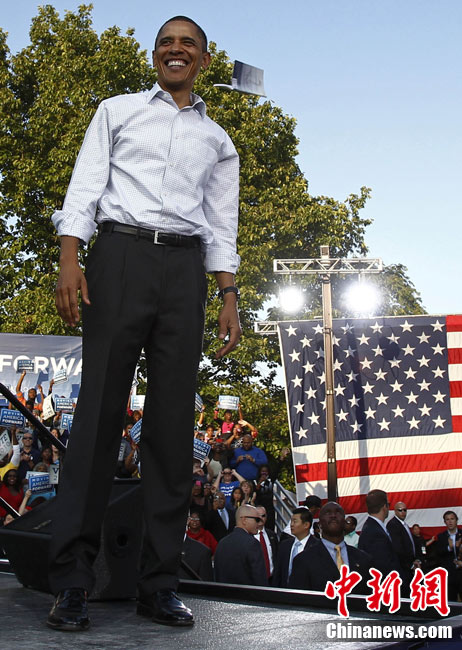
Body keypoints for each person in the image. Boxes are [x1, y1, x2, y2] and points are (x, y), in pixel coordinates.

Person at [47, 15, 241, 632]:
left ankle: (159, 584)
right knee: (99, 414)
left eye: (187, 45)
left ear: (204, 60)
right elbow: (84, 188)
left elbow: (221, 222)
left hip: (184, 272)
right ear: (155, 55)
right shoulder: (117, 109)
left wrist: (228, 295)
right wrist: (71, 260)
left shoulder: (218, 139)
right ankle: (73, 580)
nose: (175, 51)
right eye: (166, 43)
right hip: (120, 257)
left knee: (171, 427)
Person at [289, 502, 372, 593]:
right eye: (328, 513)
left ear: (344, 522)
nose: (333, 516)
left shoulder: (363, 559)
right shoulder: (303, 560)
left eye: (338, 512)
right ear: (319, 524)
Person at [214, 505, 268, 586]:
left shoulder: (222, 543)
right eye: (256, 519)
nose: (259, 523)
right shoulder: (252, 544)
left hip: (223, 596)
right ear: (244, 520)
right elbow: (259, 580)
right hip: (247, 597)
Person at [358, 489, 401, 577]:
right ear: (384, 506)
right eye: (388, 504)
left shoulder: (372, 527)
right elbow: (383, 567)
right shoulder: (374, 533)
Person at [271, 507, 318, 588]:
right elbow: (277, 574)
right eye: (291, 521)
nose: (291, 524)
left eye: (295, 521)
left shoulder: (317, 546)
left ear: (306, 525)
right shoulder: (284, 546)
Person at [386, 501, 419, 593]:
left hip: (409, 567)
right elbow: (398, 549)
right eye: (400, 510)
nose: (403, 512)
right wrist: (410, 565)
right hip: (402, 568)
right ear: (395, 511)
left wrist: (415, 560)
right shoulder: (393, 525)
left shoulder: (403, 524)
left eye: (405, 510)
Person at [435, 511, 462, 601]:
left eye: (452, 519)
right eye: (447, 519)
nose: (450, 522)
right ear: (445, 522)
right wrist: (449, 548)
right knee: (451, 602)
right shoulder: (441, 536)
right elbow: (438, 553)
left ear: (456, 520)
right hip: (449, 575)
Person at [254, 506, 278, 580]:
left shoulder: (272, 535)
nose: (261, 518)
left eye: (263, 516)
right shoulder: (249, 535)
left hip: (272, 579)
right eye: (258, 516)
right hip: (256, 580)